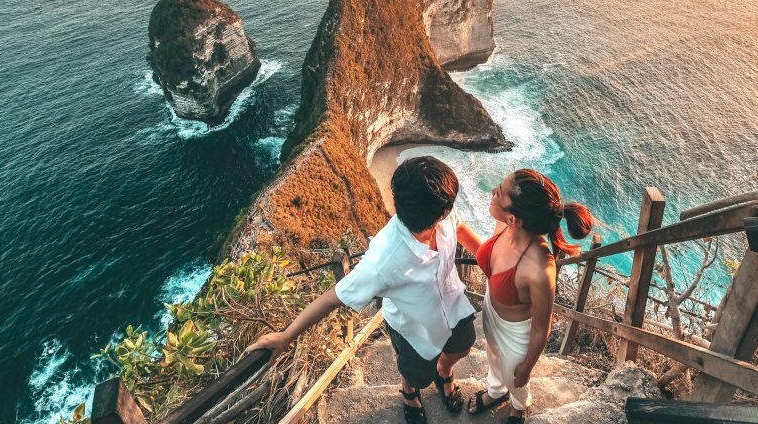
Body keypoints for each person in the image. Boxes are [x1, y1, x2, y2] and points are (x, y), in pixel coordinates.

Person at [247, 156, 477, 424]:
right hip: (414, 329)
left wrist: (487, 256)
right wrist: (286, 336)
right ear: (442, 212)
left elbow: (458, 226)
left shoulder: (445, 219)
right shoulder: (384, 259)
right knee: (416, 374)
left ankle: (444, 371)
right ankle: (409, 392)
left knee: (463, 343)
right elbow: (333, 297)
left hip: (454, 304)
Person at [456, 169, 596, 424]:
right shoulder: (506, 227)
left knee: (516, 377)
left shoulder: (539, 269)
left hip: (516, 333)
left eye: (499, 193)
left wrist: (527, 367)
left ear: (512, 218)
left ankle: (519, 405)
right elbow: (488, 258)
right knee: (493, 359)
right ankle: (496, 392)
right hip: (492, 312)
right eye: (500, 186)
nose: (493, 192)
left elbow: (541, 329)